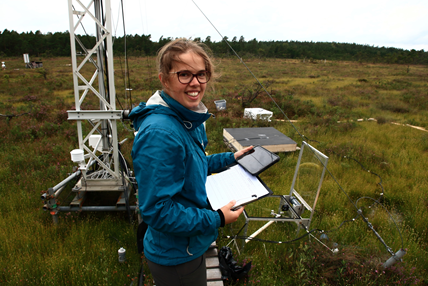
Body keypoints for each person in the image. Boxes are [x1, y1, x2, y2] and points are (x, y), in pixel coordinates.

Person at [129, 38, 253, 286]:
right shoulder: (161, 134)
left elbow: (191, 167)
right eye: (184, 74)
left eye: (201, 74)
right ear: (164, 79)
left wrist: (230, 158)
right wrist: (217, 219)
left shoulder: (185, 117)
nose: (195, 82)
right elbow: (157, 211)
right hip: (176, 256)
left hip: (187, 244)